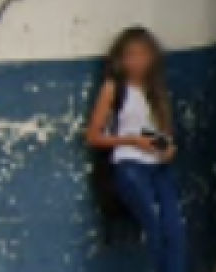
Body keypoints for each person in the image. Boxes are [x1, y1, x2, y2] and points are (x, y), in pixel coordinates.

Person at [85, 27, 187, 272]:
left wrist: (168, 147)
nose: (136, 61)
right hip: (130, 166)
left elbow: (155, 134)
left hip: (158, 166)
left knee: (175, 229)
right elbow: (93, 136)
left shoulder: (155, 91)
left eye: (143, 54)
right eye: (130, 55)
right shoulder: (114, 89)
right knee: (156, 227)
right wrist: (131, 141)